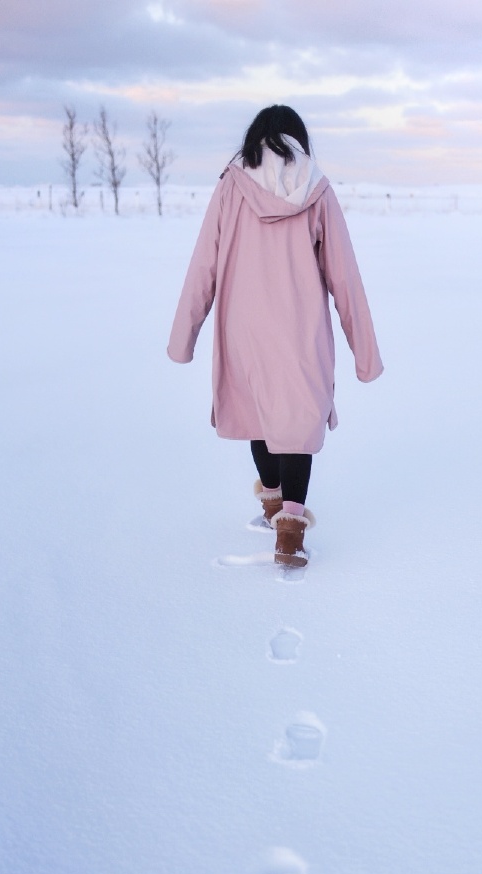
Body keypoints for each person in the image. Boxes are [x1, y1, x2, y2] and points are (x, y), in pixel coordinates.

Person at [167, 105, 383, 567]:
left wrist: (182, 337)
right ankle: (289, 530)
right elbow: (346, 277)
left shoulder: (231, 186)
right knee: (296, 424)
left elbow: (203, 263)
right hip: (300, 331)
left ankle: (271, 502)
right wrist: (366, 356)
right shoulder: (317, 189)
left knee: (258, 415)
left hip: (242, 328)